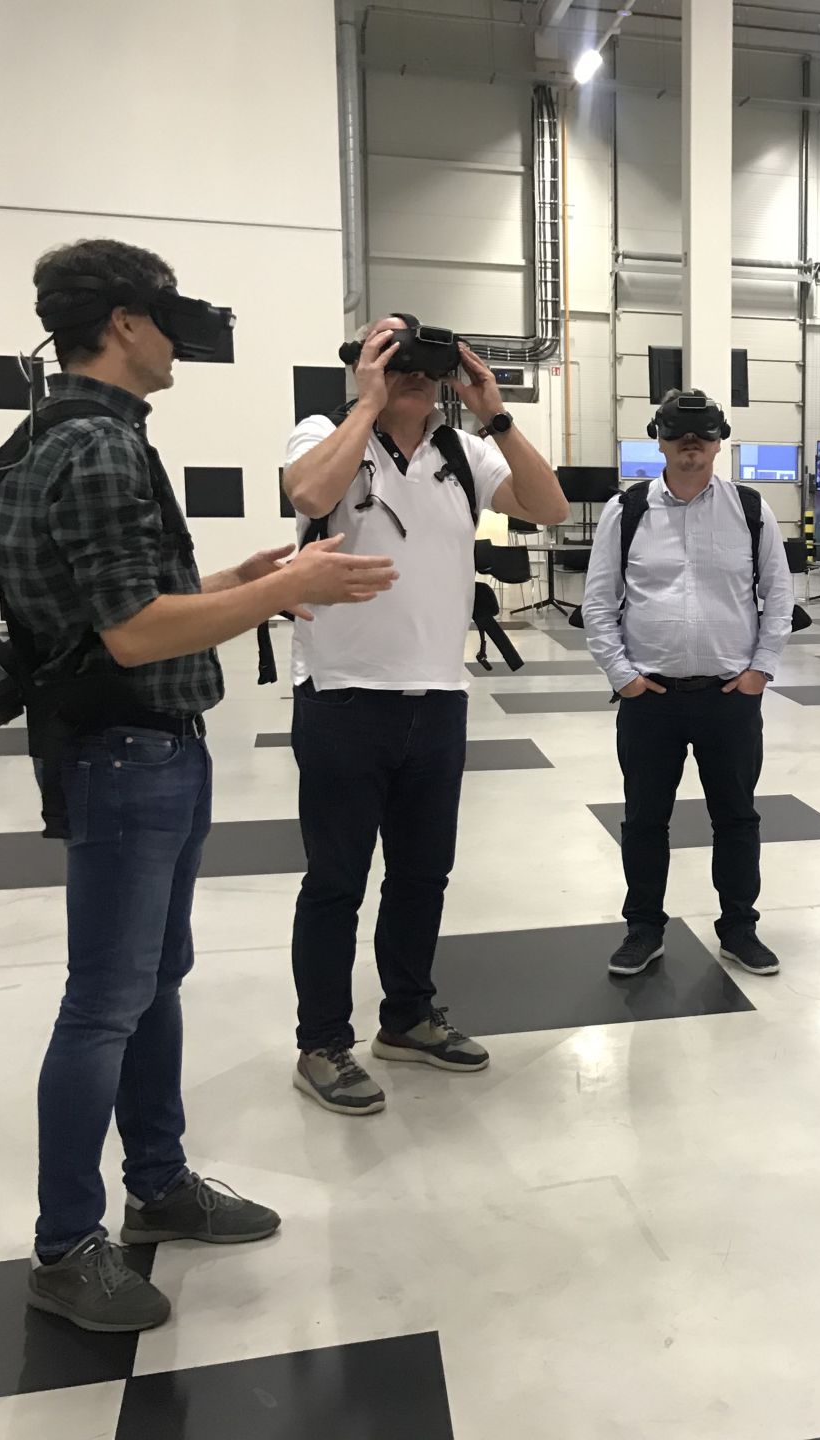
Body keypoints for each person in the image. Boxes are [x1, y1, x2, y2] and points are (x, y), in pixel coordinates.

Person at [0, 239, 397, 1331]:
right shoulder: (99, 448)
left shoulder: (68, 433)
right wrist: (293, 588)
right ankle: (66, 1246)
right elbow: (133, 634)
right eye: (164, 317)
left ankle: (159, 1182)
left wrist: (243, 578)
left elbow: (114, 606)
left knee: (153, 982)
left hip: (141, 749)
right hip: (125, 754)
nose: (178, 338)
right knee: (105, 1003)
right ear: (124, 323)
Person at [280, 316, 570, 1116]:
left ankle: (406, 1016)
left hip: (438, 697)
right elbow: (308, 494)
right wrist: (369, 403)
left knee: (421, 877)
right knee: (336, 882)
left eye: (423, 363)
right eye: (395, 359)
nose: (413, 372)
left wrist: (495, 414)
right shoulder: (325, 433)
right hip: (342, 694)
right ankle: (321, 1042)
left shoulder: (464, 453)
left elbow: (548, 506)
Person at [583, 388, 795, 980]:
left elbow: (779, 595)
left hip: (730, 697)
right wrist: (622, 676)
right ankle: (643, 929)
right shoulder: (626, 511)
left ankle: (739, 928)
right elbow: (598, 602)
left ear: (719, 442)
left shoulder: (749, 508)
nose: (691, 444)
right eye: (679, 434)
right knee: (644, 820)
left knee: (737, 818)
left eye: (703, 435)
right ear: (660, 439)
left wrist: (760, 670)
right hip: (649, 699)